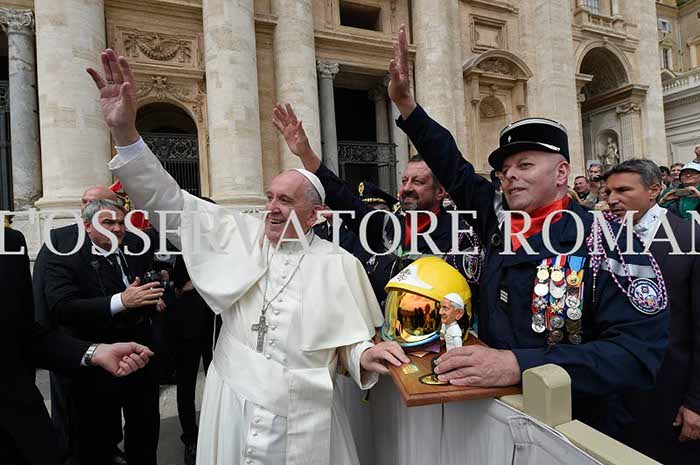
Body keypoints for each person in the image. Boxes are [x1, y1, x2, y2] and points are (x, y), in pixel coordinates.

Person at [87, 48, 409, 465]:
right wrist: (126, 133)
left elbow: (347, 343)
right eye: (270, 197)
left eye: (286, 201)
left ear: (315, 215)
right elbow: (168, 201)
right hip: (233, 403)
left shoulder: (339, 264)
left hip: (304, 411)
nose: (272, 208)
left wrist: (364, 354)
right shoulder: (236, 234)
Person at [386, 24, 669, 437]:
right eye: (504, 170)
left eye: (524, 165)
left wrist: (519, 364)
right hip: (493, 420)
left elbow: (637, 354)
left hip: (573, 429)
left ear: (562, 173)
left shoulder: (609, 240)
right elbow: (454, 167)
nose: (510, 177)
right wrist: (408, 107)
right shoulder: (498, 221)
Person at [272, 104, 484, 310]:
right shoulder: (386, 227)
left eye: (418, 182)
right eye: (404, 181)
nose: (407, 188)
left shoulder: (461, 237)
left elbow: (461, 304)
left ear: (440, 192)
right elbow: (342, 197)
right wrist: (306, 153)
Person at [0, 226, 153, 465]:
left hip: (20, 426)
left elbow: (23, 334)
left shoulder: (9, 242)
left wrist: (94, 351)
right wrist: (120, 301)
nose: (116, 227)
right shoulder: (61, 244)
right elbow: (58, 307)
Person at [44, 199, 164, 465]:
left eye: (121, 222)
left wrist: (151, 297)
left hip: (141, 358)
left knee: (145, 435)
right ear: (88, 226)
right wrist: (122, 300)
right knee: (94, 442)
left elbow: (143, 284)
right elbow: (63, 307)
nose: (117, 229)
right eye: (108, 222)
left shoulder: (136, 246)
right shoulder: (64, 253)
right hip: (96, 366)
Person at [604, 159, 700, 463]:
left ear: (654, 190)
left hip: (669, 393)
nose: (612, 199)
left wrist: (696, 402)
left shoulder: (690, 238)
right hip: (613, 392)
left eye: (623, 190)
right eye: (607, 192)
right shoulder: (601, 238)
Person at [33, 186, 130, 465]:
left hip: (115, 344)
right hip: (73, 344)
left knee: (105, 415)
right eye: (85, 202)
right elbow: (46, 293)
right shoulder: (60, 239)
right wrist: (48, 341)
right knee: (72, 419)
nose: (88, 206)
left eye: (96, 202)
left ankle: (109, 447)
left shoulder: (127, 240)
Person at [171, 253, 220, 465]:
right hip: (187, 318)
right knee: (186, 382)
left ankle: (216, 429)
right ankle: (190, 437)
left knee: (218, 378)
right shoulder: (186, 244)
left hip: (216, 319)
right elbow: (178, 282)